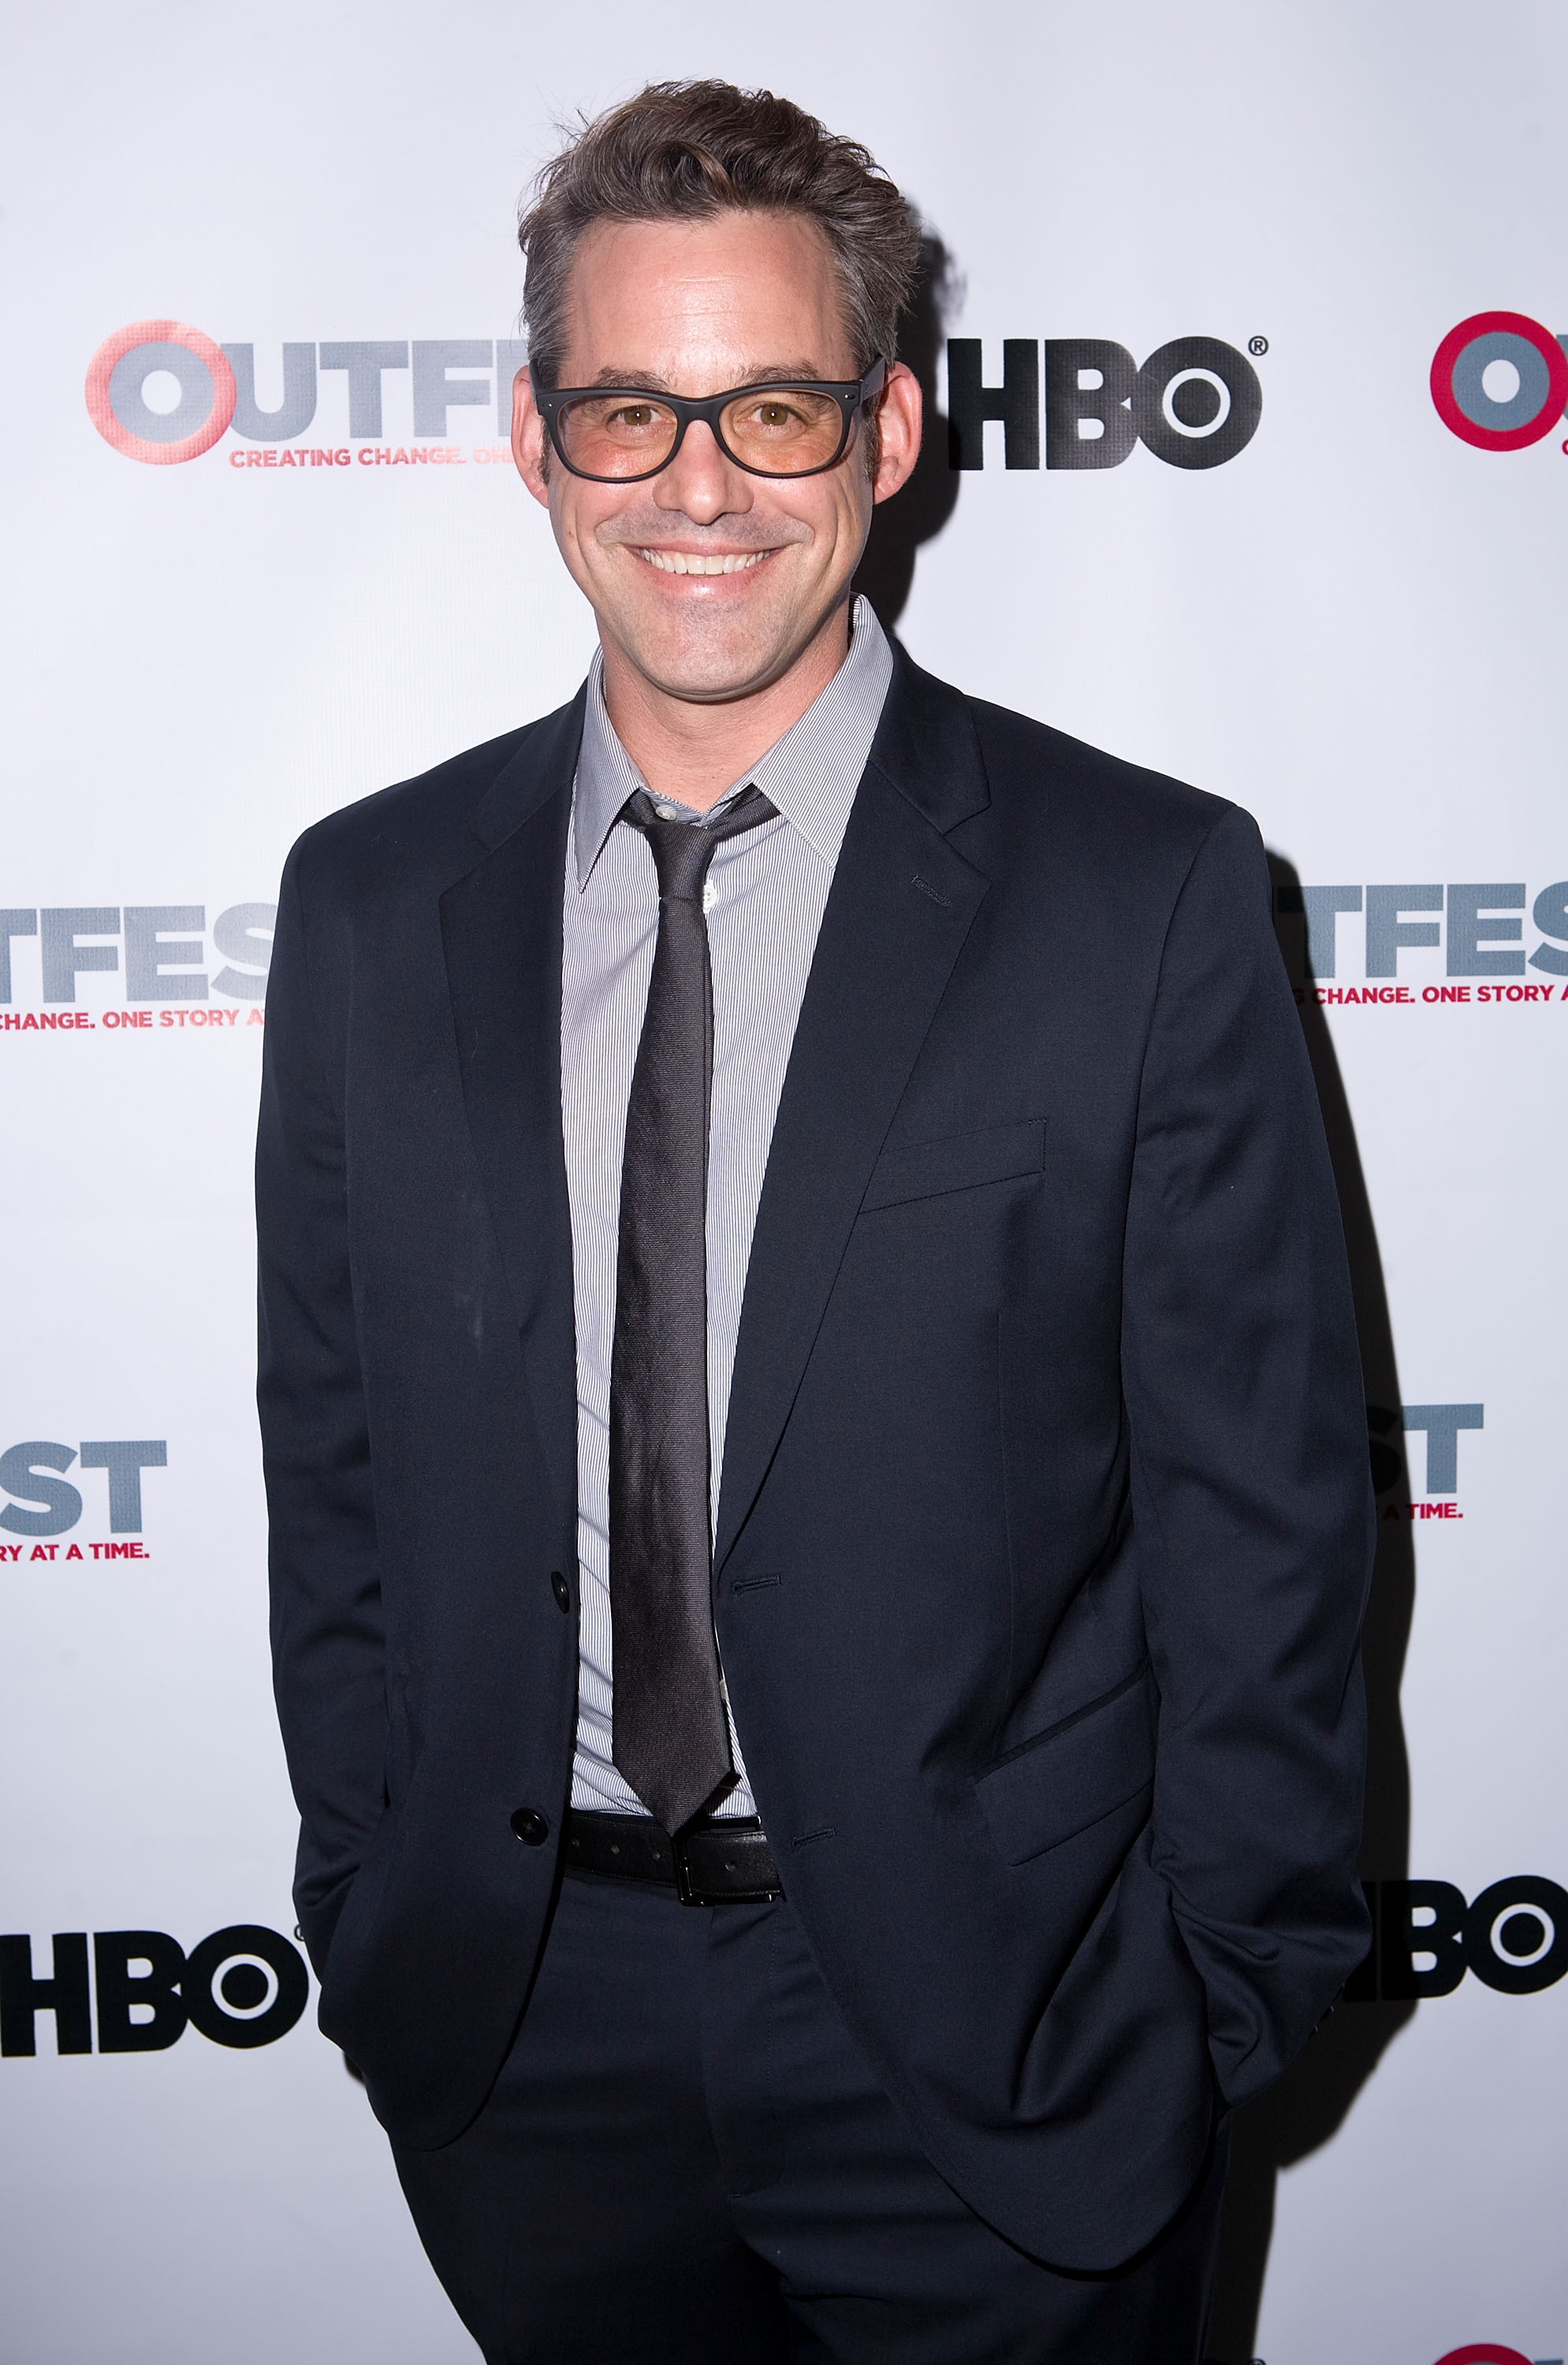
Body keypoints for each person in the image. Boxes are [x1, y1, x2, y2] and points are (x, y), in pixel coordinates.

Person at [258, 78, 1372, 2365]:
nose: (697, 486)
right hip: (524, 2038)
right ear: (532, 439)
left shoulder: (1139, 892)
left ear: (887, 427)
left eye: (768, 406)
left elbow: (1270, 1520)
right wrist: (378, 1907)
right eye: (630, 410)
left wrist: (1221, 2003)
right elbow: (337, 1466)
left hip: (1010, 2042)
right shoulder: (371, 904)